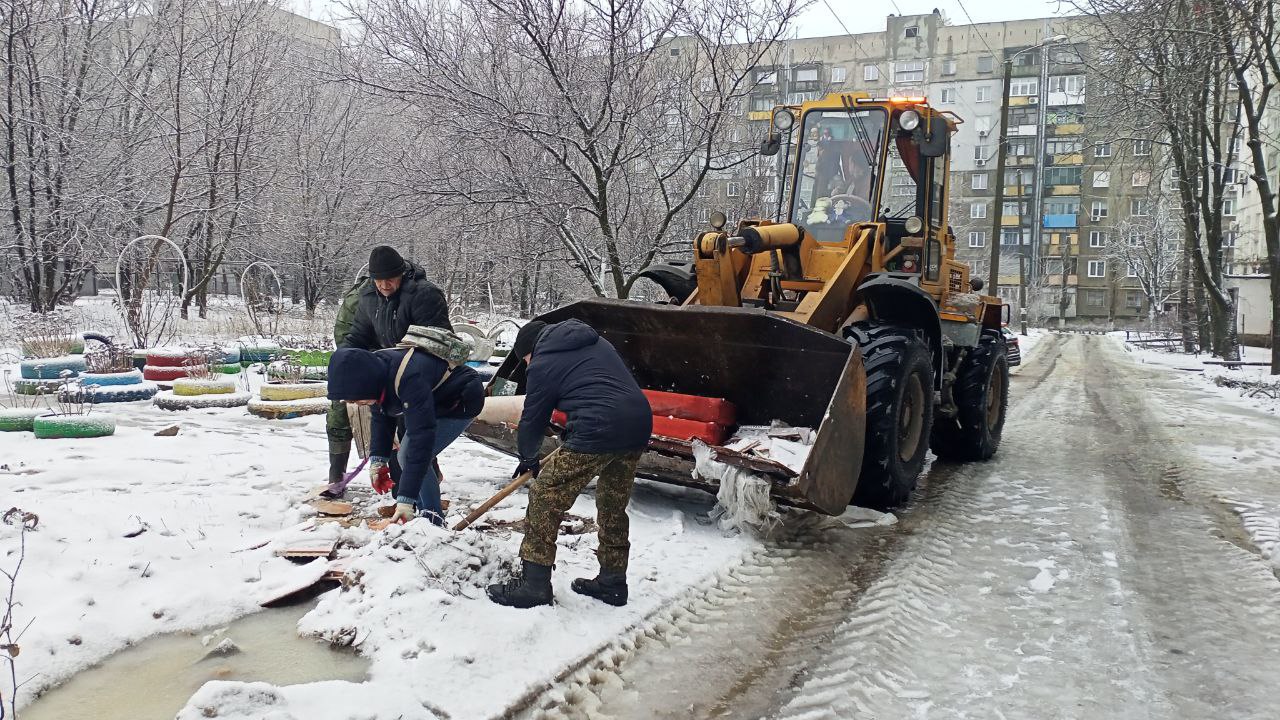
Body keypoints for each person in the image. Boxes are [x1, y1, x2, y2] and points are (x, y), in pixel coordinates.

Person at [487, 319, 652, 609]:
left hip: (598, 427)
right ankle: (613, 582)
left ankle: (534, 585)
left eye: (525, 360)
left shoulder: (543, 361)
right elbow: (596, 388)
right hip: (637, 423)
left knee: (544, 495)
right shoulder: (596, 342)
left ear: (530, 351)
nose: (526, 367)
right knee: (613, 504)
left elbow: (533, 417)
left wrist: (528, 458)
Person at [326, 344, 484, 524]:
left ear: (365, 384)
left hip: (460, 398)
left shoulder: (408, 377)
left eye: (355, 399)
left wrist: (405, 500)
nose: (355, 404)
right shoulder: (375, 373)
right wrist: (378, 460)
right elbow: (381, 417)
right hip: (432, 399)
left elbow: (421, 439)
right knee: (406, 456)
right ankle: (425, 516)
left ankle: (433, 520)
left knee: (410, 454)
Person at [340, 245, 453, 496]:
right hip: (387, 374)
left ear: (401, 273)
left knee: (413, 437)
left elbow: (436, 341)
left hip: (420, 375)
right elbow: (359, 334)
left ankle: (414, 500)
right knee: (388, 431)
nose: (384, 285)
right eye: (378, 280)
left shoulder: (425, 295)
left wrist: (404, 366)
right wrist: (345, 361)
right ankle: (405, 492)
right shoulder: (369, 297)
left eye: (389, 279)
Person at [320, 273, 370, 498]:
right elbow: (345, 337)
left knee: (408, 415)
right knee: (339, 412)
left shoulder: (412, 292)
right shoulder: (359, 298)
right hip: (358, 358)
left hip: (399, 360)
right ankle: (336, 476)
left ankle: (417, 475)